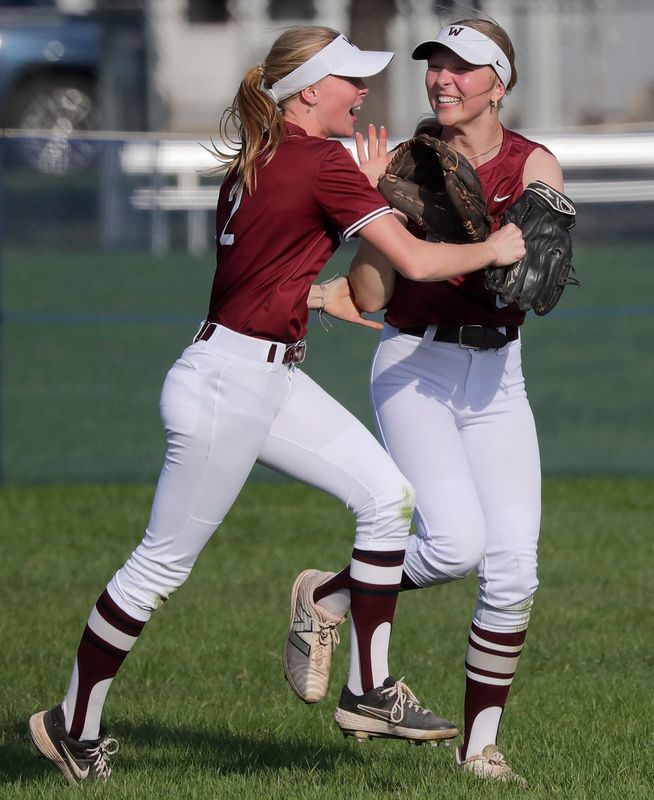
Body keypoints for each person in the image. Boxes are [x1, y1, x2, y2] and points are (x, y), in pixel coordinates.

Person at [27, 26, 525, 785]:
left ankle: (369, 688)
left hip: (267, 375)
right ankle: (73, 725)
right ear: (310, 91)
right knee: (159, 566)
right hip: (229, 386)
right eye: (351, 81)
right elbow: (417, 261)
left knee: (388, 497)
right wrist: (494, 247)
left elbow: (308, 276)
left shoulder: (261, 159)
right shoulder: (320, 160)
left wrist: (355, 220)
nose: (363, 94)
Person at [283, 18, 565, 788]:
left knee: (514, 572)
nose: (443, 78)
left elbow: (535, 277)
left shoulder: (532, 163)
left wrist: (534, 241)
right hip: (417, 367)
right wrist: (378, 215)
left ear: (498, 83)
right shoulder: (403, 163)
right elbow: (372, 296)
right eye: (436, 64)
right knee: (451, 547)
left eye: (463, 67)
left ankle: (480, 751)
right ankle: (331, 593)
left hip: (500, 377)